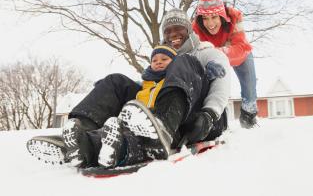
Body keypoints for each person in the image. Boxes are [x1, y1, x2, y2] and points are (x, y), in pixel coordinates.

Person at [61, 34, 230, 169]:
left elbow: (219, 88)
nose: (159, 63)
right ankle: (81, 139)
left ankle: (163, 127)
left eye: (164, 60)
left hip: (189, 120)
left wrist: (209, 102)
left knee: (184, 61)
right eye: (155, 60)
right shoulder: (147, 85)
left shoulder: (195, 59)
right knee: (115, 81)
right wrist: (107, 90)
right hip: (145, 126)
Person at [192, 0, 258, 129]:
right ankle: (215, 120)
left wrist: (216, 52)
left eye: (214, 17)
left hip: (239, 55)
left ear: (222, 15)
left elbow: (241, 47)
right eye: (205, 18)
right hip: (214, 61)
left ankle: (248, 120)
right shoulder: (195, 28)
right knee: (210, 85)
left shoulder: (234, 18)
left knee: (250, 91)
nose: (210, 23)